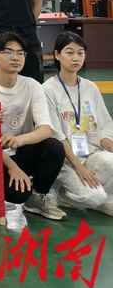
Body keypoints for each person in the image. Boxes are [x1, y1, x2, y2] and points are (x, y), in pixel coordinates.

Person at [0, 32, 66, 231]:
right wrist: (13, 168)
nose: (15, 57)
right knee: (17, 195)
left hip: (19, 151)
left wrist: (20, 140)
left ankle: (38, 196)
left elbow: (45, 130)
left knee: (54, 147)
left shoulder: (32, 85)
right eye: (8, 52)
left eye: (20, 53)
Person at [42, 32, 113, 216]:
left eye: (80, 53)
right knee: (94, 197)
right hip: (65, 161)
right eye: (70, 52)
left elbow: (104, 127)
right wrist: (77, 166)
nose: (76, 58)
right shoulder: (48, 89)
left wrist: (111, 148)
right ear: (57, 55)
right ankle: (65, 196)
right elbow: (55, 134)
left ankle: (103, 198)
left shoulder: (90, 87)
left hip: (92, 154)